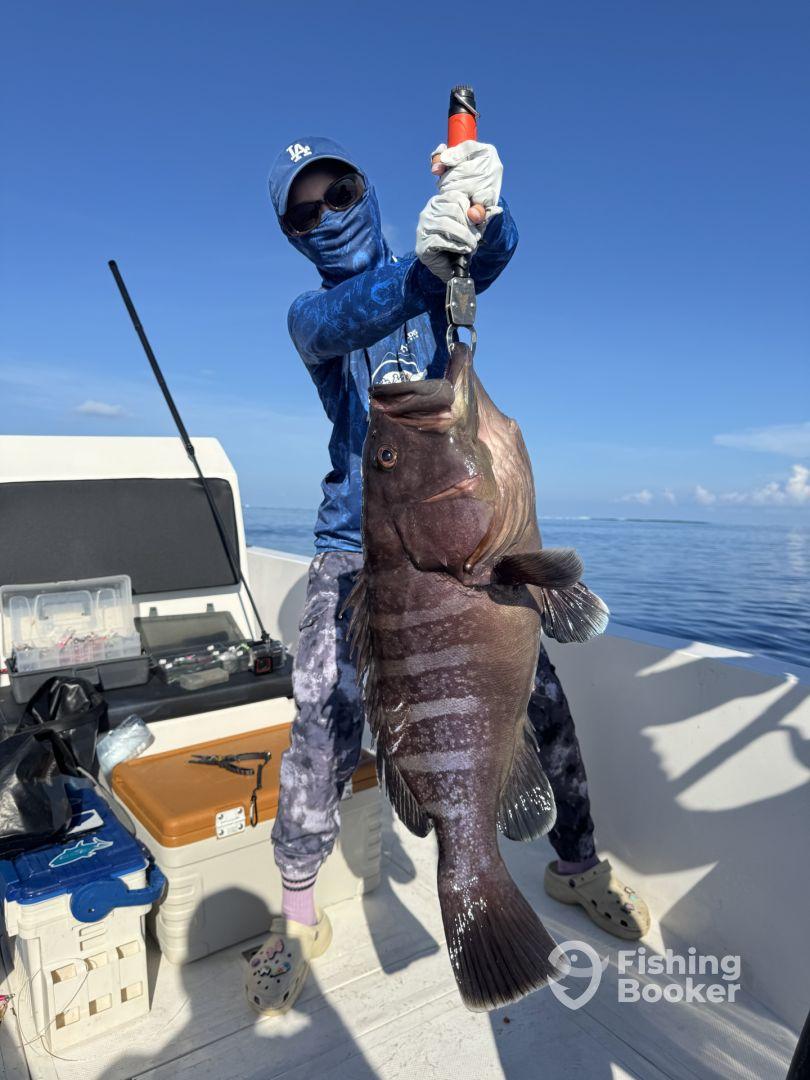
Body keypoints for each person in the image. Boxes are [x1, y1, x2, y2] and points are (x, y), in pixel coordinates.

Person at [245, 134, 650, 1016]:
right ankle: (299, 914)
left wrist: (483, 212)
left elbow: (485, 257)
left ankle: (575, 866)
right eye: (303, 210)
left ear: (367, 191)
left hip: (463, 542)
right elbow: (369, 307)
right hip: (356, 547)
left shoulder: (436, 265)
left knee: (538, 698)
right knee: (321, 718)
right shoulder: (311, 320)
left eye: (339, 191)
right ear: (293, 234)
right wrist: (429, 266)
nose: (326, 215)